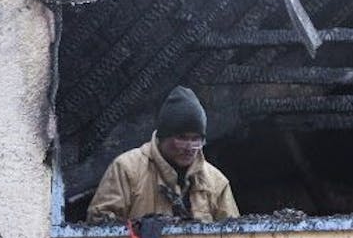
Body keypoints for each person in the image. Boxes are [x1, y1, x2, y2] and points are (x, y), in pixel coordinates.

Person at [87, 86, 239, 224]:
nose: (190, 147)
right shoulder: (126, 169)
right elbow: (98, 223)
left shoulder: (216, 182)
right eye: (182, 138)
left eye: (196, 139)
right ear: (162, 137)